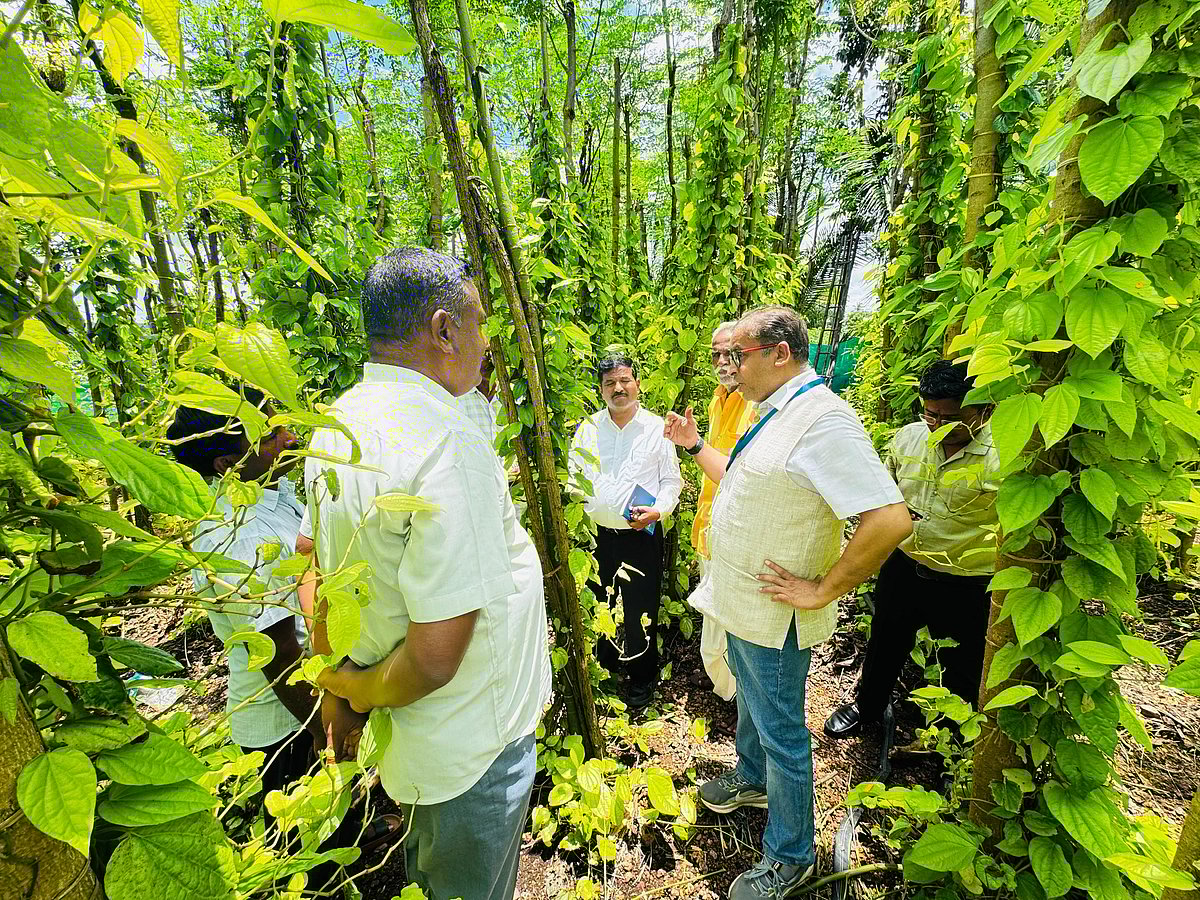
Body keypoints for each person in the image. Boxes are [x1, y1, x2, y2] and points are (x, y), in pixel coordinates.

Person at [304, 246, 551, 900]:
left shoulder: (339, 423)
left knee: (434, 871)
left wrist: (339, 680)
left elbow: (323, 573)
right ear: (444, 330)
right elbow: (437, 657)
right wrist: (354, 693)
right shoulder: (443, 440)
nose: (483, 340)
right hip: (471, 747)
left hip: (424, 741)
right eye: (476, 323)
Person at [664, 306, 911, 900]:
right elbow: (748, 483)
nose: (729, 366)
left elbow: (889, 518)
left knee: (782, 731)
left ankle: (791, 854)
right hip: (744, 604)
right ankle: (752, 780)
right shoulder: (775, 412)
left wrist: (825, 588)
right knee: (752, 702)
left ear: (779, 353)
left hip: (777, 617)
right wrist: (694, 444)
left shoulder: (823, 421)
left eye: (738, 355)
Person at [167, 393, 398, 889]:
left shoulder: (274, 495)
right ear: (229, 463)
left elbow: (308, 558)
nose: (289, 439)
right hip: (285, 718)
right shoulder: (234, 535)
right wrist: (323, 731)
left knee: (335, 810)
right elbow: (277, 656)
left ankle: (353, 840)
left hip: (316, 690)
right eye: (270, 436)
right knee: (303, 841)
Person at [824, 360, 999, 739]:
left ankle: (952, 741)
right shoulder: (908, 438)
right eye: (930, 414)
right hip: (905, 566)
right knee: (886, 639)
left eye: (950, 417)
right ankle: (867, 706)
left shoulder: (1002, 458)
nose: (938, 427)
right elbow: (885, 492)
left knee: (962, 663)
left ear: (984, 410)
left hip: (967, 581)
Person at [569, 353, 682, 710]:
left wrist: (658, 511)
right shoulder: (588, 428)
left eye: (624, 381)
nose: (618, 388)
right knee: (601, 601)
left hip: (642, 535)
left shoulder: (655, 429)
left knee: (640, 608)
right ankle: (605, 671)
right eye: (609, 383)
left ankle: (641, 680)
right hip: (598, 537)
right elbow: (574, 476)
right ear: (601, 389)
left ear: (637, 383)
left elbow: (671, 481)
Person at [690, 322, 754, 702]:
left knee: (726, 629)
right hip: (708, 529)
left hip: (735, 536)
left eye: (730, 352)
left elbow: (737, 471)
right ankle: (730, 694)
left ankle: (738, 701)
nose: (722, 361)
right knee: (715, 626)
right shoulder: (718, 399)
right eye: (715, 354)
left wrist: (694, 444)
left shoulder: (757, 402)